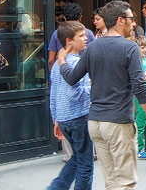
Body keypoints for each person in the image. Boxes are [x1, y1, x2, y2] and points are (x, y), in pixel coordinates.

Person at [57, 0, 146, 188]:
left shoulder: (92, 47)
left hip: (96, 123)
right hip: (118, 123)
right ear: (121, 20)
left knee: (112, 182)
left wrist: (62, 61)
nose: (134, 23)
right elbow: (140, 88)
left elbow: (72, 77)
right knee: (124, 183)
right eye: (131, 19)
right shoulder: (129, 48)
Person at [48, 21, 93, 190]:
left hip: (65, 117)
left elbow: (55, 94)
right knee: (85, 164)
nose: (86, 38)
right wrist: (91, 90)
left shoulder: (59, 65)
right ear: (69, 41)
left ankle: (57, 187)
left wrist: (56, 118)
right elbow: (76, 92)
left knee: (77, 158)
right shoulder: (76, 63)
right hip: (79, 116)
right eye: (81, 36)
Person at [49, 3, 96, 71]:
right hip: (82, 71)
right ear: (80, 17)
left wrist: (53, 74)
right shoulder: (88, 33)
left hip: (61, 69)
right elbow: (93, 57)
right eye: (81, 36)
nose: (84, 38)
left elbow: (51, 60)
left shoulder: (56, 33)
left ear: (64, 18)